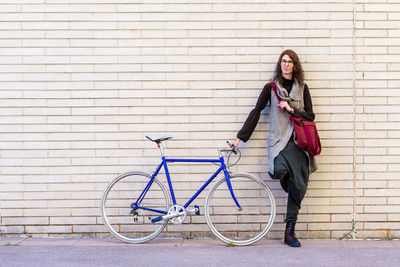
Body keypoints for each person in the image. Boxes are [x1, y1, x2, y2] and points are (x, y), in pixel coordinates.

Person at [232, 49, 316, 247]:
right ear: (280, 64)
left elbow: (310, 116)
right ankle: (290, 183)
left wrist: (292, 110)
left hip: (299, 144)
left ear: (295, 65)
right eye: (283, 61)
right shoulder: (270, 88)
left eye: (290, 62)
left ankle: (289, 231)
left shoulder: (303, 88)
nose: (286, 64)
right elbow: (256, 111)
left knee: (299, 187)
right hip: (279, 143)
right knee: (279, 170)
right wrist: (240, 138)